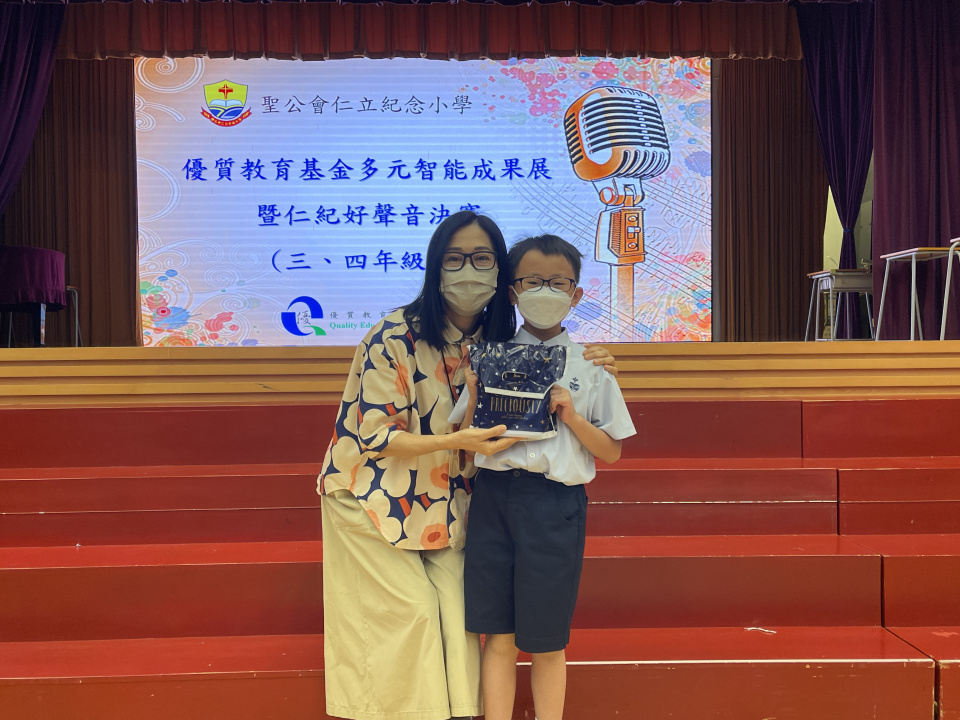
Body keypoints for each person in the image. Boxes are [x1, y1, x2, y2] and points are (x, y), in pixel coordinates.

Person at [318, 212, 617, 720]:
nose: (469, 271)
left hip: (444, 503)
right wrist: (457, 439)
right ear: (435, 266)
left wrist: (598, 362)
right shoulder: (393, 335)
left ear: (501, 274)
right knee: (412, 614)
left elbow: (575, 392)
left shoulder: (498, 341)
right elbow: (375, 435)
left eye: (482, 258)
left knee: (463, 621)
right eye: (455, 259)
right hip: (373, 496)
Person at [450, 234, 637, 720]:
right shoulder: (488, 358)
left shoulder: (591, 365)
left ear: (576, 294)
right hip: (494, 501)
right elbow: (463, 441)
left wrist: (571, 417)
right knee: (498, 635)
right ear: (513, 291)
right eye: (533, 281)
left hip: (556, 506)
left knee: (548, 640)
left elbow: (611, 451)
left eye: (558, 283)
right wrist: (474, 394)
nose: (545, 292)